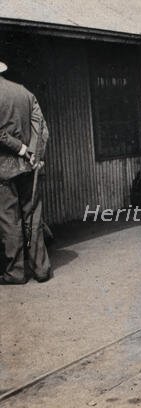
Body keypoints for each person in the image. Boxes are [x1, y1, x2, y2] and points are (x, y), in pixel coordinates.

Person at [0, 59, 51, 284]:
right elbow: (41, 128)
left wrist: (19, 149)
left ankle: (15, 272)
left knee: (9, 220)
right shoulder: (24, 92)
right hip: (29, 166)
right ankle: (41, 269)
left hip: (4, 168)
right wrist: (33, 154)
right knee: (33, 217)